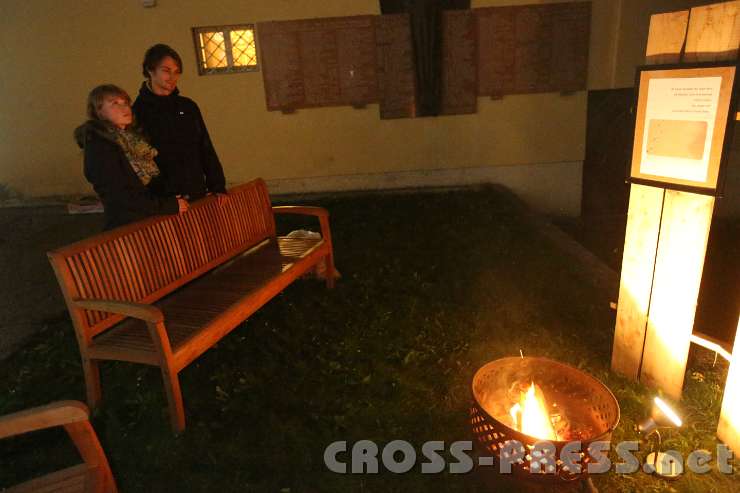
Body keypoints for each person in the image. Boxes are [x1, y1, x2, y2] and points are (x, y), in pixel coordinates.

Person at [74, 84, 188, 230]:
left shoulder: (133, 141)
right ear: (99, 112)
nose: (124, 108)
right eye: (114, 104)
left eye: (125, 103)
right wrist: (168, 205)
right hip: (128, 226)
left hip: (148, 221)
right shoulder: (100, 147)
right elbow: (120, 196)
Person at [133, 44, 227, 204]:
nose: (172, 77)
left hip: (196, 190)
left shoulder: (187, 106)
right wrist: (162, 196)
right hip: (166, 199)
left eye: (177, 72)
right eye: (166, 71)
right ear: (150, 70)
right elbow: (141, 161)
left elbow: (205, 146)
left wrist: (217, 185)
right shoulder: (138, 112)